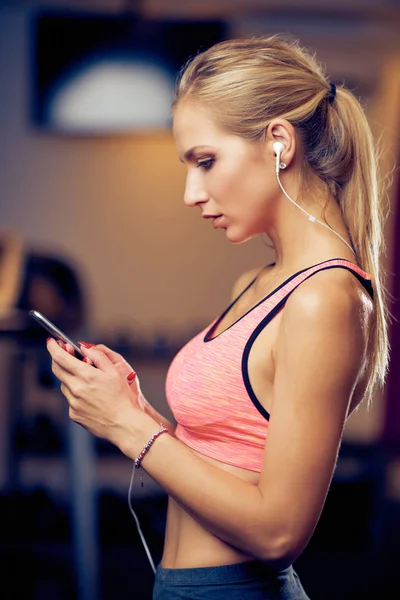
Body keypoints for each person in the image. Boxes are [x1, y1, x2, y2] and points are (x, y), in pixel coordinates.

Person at [47, 35, 389, 599]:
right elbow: (218, 455)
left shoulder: (324, 297)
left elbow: (279, 532)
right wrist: (129, 408)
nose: (190, 192)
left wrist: (128, 429)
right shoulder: (256, 283)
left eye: (206, 161)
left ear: (279, 142)